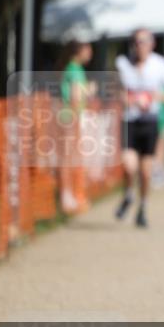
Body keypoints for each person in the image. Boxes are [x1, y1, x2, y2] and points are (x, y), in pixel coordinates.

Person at [114, 29, 164, 228]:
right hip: (130, 120)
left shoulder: (160, 65)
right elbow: (115, 91)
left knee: (145, 171)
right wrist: (130, 99)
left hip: (150, 121)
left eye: (143, 41)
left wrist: (156, 97)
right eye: (136, 41)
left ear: (152, 44)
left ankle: (143, 206)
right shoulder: (122, 64)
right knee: (128, 165)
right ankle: (128, 194)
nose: (139, 45)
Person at [58, 39, 96, 214]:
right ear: (78, 51)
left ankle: (71, 195)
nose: (90, 52)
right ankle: (66, 197)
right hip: (70, 117)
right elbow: (74, 97)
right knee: (67, 158)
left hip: (71, 116)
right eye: (87, 48)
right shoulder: (74, 70)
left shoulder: (76, 69)